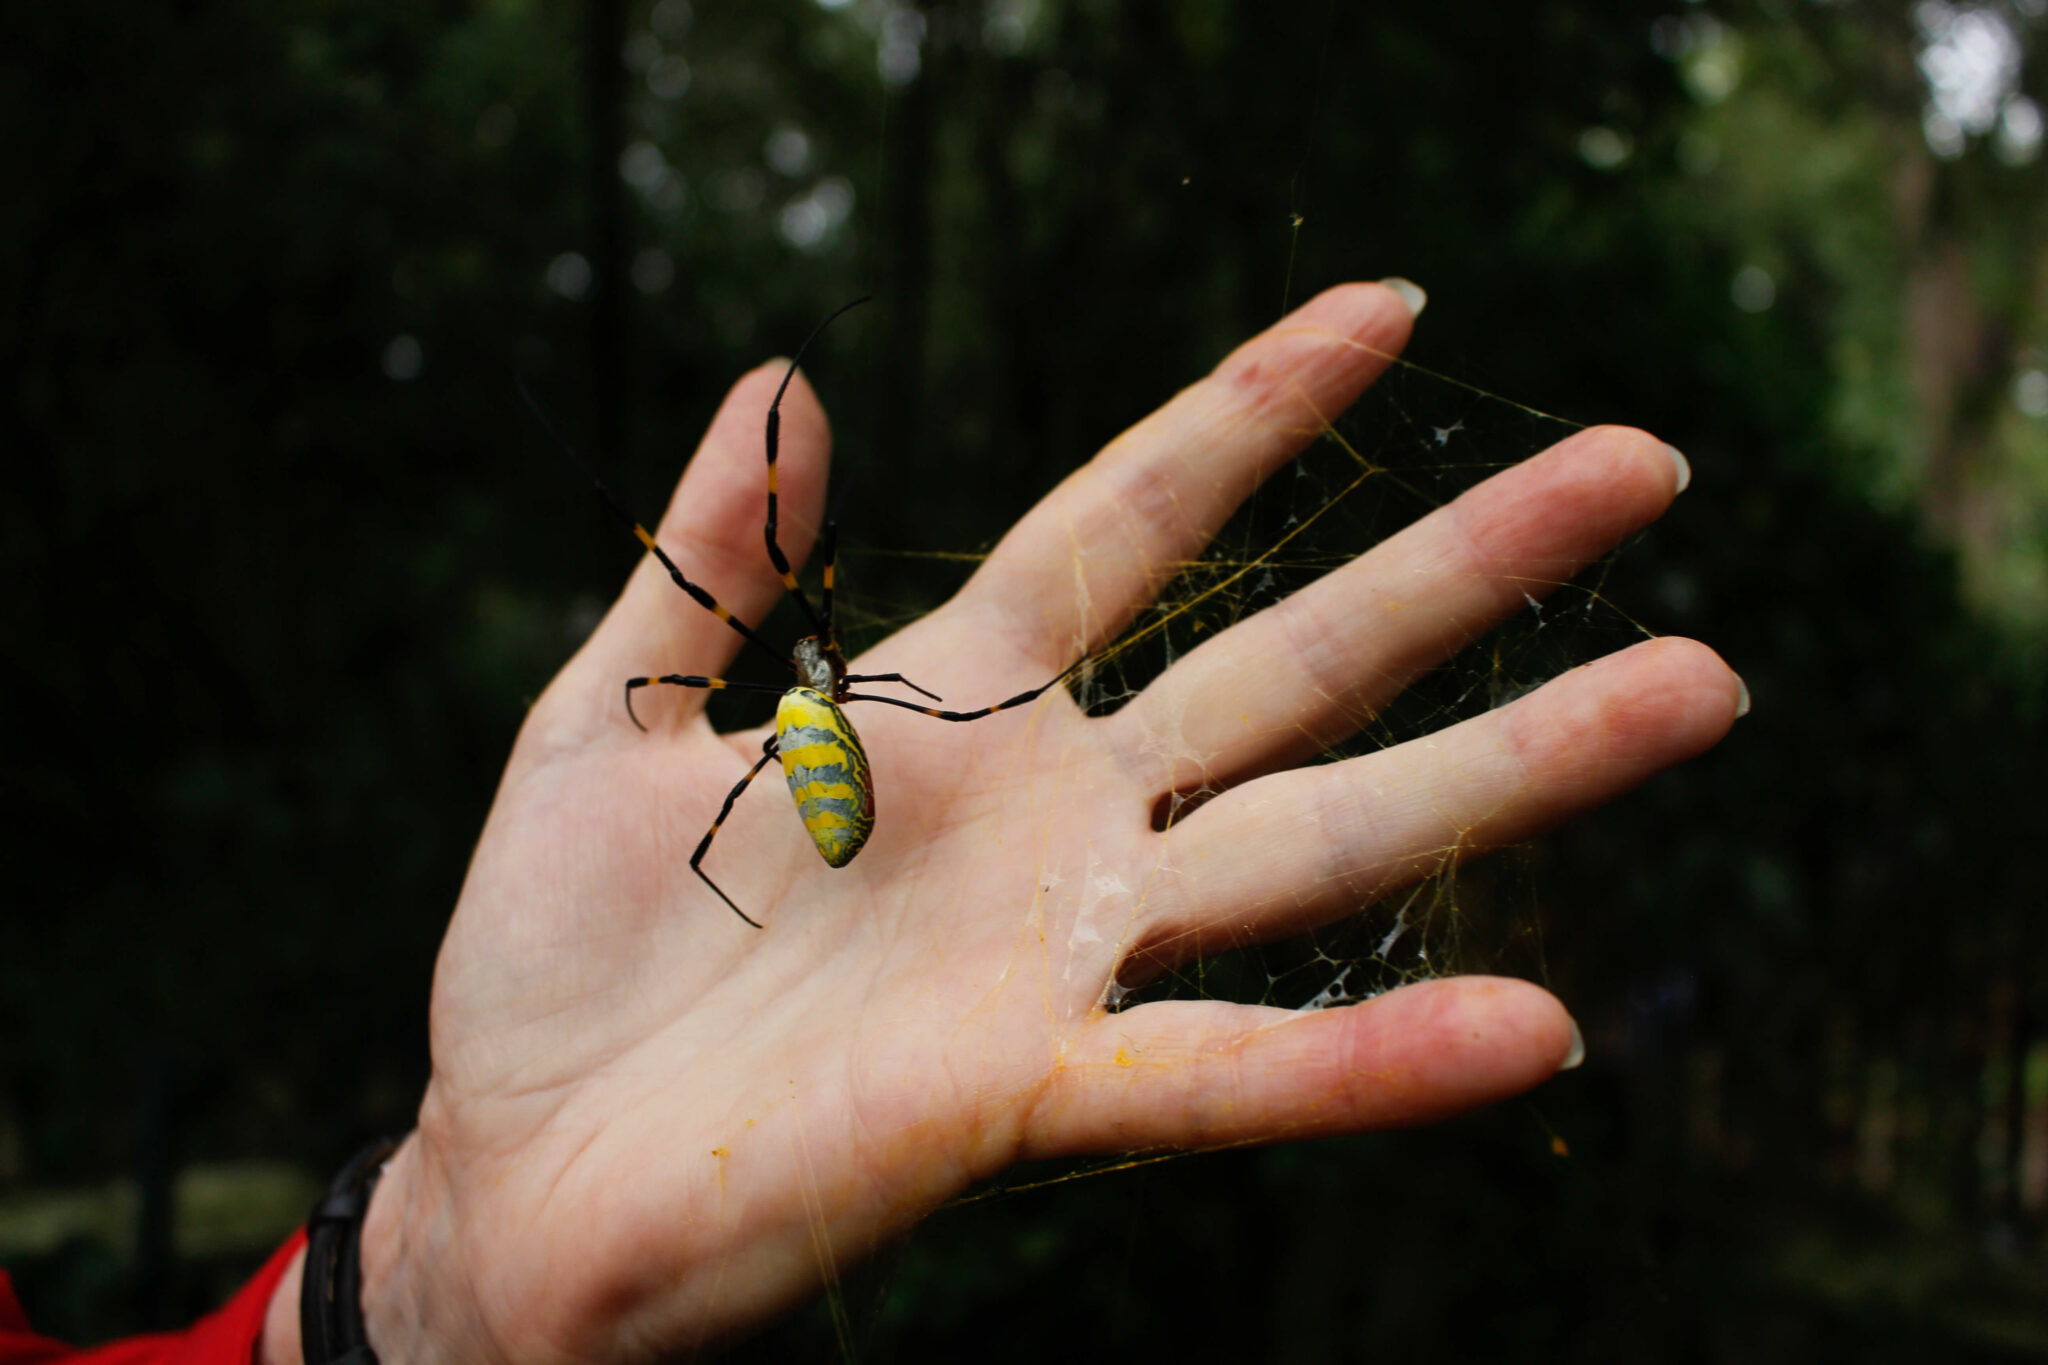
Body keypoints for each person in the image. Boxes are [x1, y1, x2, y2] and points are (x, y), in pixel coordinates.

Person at [0, 280, 1744, 1363]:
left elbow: (887, 709)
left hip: (817, 776)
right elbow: (855, 705)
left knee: (854, 720)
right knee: (840, 715)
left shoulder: (818, 716)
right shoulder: (830, 711)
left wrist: (420, 1311)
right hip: (824, 769)